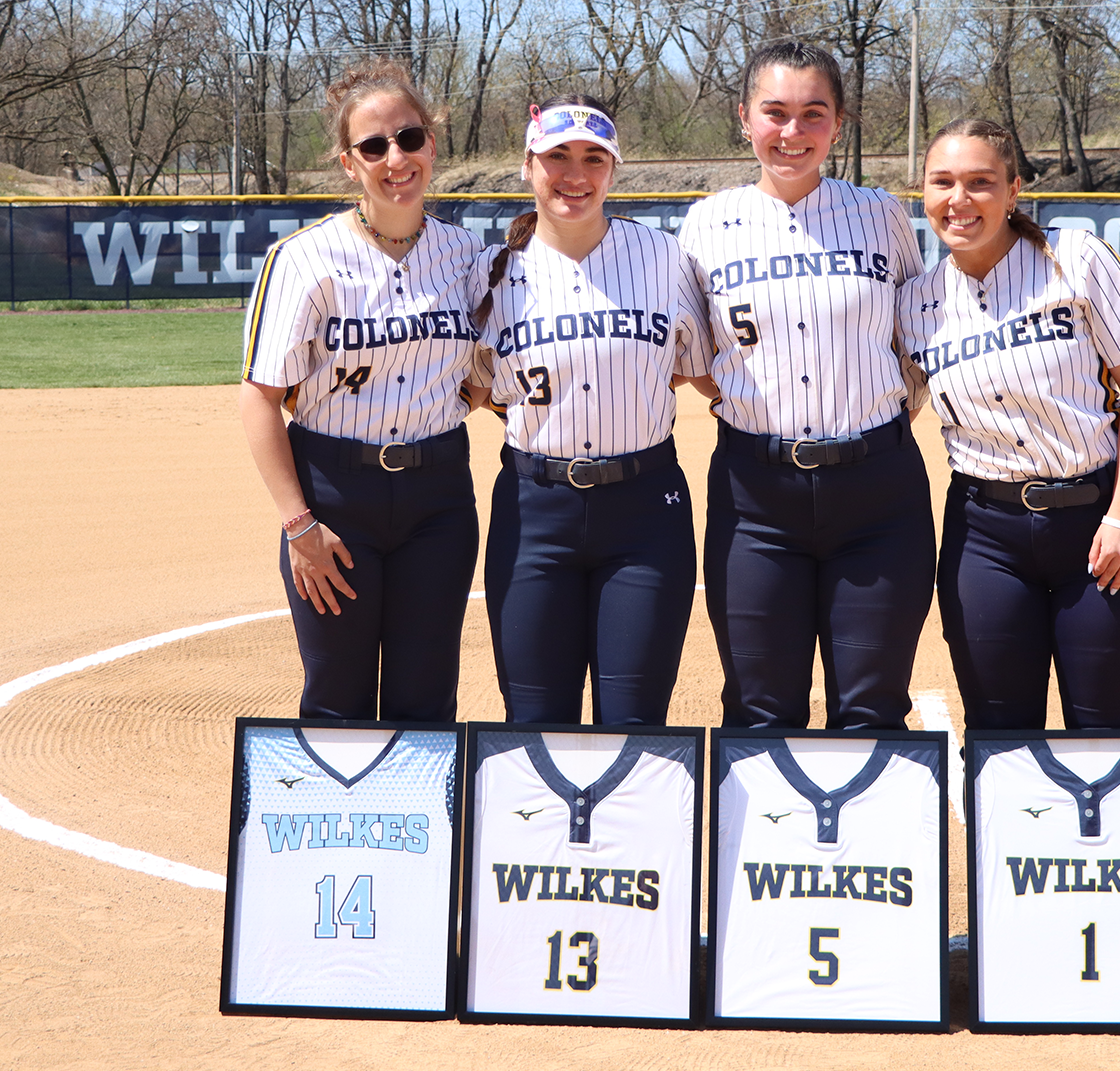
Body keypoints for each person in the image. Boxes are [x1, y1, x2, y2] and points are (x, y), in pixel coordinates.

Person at [677, 41, 933, 730]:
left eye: (813, 113)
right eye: (775, 112)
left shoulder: (880, 213)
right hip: (755, 497)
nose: (793, 131)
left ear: (838, 123)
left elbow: (915, 336)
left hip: (879, 494)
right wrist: (748, 403)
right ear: (744, 118)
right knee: (760, 710)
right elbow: (697, 355)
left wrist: (873, 421)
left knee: (873, 709)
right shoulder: (706, 223)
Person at [897, 118, 1120, 729]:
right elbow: (892, 404)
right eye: (942, 182)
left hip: (1098, 522)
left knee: (1107, 733)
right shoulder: (914, 303)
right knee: (1000, 738)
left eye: (980, 182)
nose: (959, 199)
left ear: (1013, 189)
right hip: (984, 536)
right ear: (923, 192)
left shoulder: (1076, 258)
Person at [239, 60, 483, 721]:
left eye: (409, 138)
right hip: (334, 499)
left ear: (432, 144)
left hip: (438, 501)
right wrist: (299, 525)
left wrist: (458, 398)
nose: (395, 159)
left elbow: (488, 370)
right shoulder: (303, 259)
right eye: (373, 147)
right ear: (350, 164)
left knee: (425, 697)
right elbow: (260, 397)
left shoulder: (467, 257)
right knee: (336, 697)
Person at [468, 96, 712, 724]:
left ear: (613, 167)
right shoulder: (490, 273)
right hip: (533, 510)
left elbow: (693, 366)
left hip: (645, 510)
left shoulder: (665, 259)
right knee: (533, 724)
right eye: (557, 156)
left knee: (634, 725)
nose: (575, 174)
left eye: (593, 158)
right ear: (528, 165)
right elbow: (480, 386)